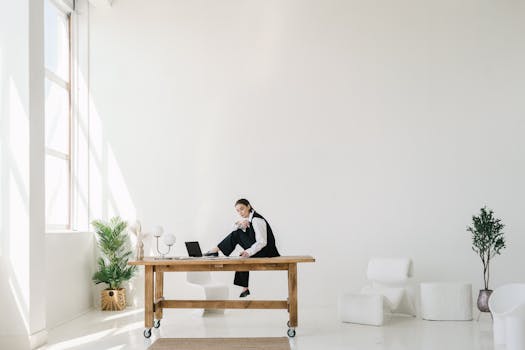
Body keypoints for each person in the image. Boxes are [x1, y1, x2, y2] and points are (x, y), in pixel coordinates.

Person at [205, 198, 280, 297]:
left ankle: (214, 251)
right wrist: (240, 223)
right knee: (240, 246)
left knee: (238, 235)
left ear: (248, 206)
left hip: (266, 252)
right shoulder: (249, 219)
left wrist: (249, 252)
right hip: (260, 249)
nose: (240, 212)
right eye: (238, 211)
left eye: (242, 209)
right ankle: (245, 288)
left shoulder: (256, 219)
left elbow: (262, 242)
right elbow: (232, 230)